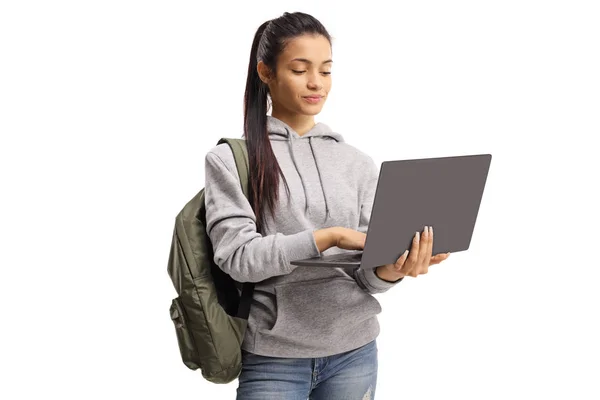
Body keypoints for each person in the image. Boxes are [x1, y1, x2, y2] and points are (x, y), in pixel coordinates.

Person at [204, 11, 450, 400]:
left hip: (355, 353)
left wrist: (392, 268)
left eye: (326, 70)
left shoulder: (357, 162)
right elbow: (238, 258)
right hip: (274, 360)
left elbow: (366, 278)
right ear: (265, 72)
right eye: (300, 69)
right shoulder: (232, 160)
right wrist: (327, 237)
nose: (316, 83)